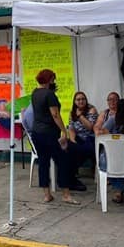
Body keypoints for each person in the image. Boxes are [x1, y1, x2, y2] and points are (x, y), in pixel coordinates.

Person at [29, 69, 79, 205]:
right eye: (53, 79)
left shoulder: (34, 93)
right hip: (49, 133)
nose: (54, 81)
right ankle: (66, 194)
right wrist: (64, 130)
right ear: (49, 79)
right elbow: (55, 115)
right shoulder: (49, 94)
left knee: (43, 163)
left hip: (36, 132)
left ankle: (47, 194)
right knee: (63, 160)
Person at [65, 91, 98, 191]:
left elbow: (90, 127)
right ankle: (68, 178)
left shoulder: (91, 110)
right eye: (78, 99)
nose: (81, 101)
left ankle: (71, 178)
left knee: (80, 151)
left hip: (91, 138)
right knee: (69, 148)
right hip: (79, 138)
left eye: (83, 99)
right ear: (74, 101)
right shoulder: (72, 113)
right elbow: (71, 129)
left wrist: (80, 116)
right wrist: (72, 140)